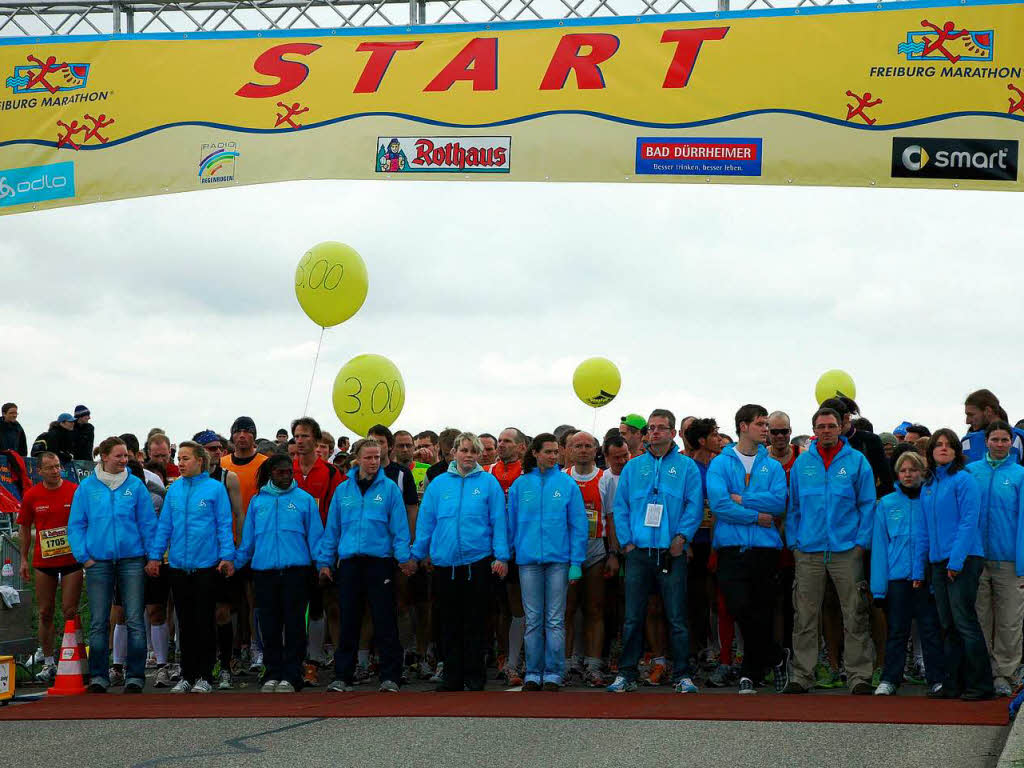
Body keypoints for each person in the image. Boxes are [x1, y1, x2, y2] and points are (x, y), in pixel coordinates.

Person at [606, 409, 703, 694]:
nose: (655, 432)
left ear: (673, 433)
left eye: (661, 428)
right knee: (633, 616)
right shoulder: (634, 467)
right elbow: (620, 506)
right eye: (651, 428)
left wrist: (682, 537)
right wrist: (626, 542)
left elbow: (694, 506)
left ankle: (682, 674)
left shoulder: (686, 467)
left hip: (671, 552)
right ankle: (627, 674)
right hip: (638, 551)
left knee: (676, 616)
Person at [784, 407, 875, 695]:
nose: (826, 430)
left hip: (846, 550)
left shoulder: (857, 461)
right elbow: (794, 507)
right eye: (821, 426)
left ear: (840, 428)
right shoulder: (802, 464)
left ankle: (859, 675)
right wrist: (795, 544)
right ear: (814, 429)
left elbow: (867, 505)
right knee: (805, 616)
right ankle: (801, 675)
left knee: (855, 613)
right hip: (809, 550)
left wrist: (861, 544)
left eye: (831, 425)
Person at [412, 432, 509, 691]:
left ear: (479, 455)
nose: (468, 455)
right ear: (454, 452)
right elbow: (426, 523)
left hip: (478, 562)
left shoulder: (489, 484)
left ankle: (475, 677)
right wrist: (417, 554)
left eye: (473, 451)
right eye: (464, 450)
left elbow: (499, 521)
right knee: (448, 622)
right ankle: (451, 677)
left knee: (476, 622)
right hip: (445, 564)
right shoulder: (438, 485)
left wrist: (501, 556)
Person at [318, 438, 415, 693]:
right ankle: (343, 676)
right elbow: (333, 530)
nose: (373, 462)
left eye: (377, 457)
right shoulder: (343, 490)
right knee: (349, 618)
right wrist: (325, 561)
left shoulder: (390, 489)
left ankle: (390, 676)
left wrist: (404, 558)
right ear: (357, 459)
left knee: (384, 619)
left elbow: (400, 528)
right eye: (368, 457)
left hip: (379, 562)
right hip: (349, 563)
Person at [707, 405, 789, 695]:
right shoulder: (720, 463)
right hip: (731, 548)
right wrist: (756, 515)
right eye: (760, 423)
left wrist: (742, 498)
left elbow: (779, 503)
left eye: (767, 424)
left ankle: (749, 674)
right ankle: (777, 656)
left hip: (765, 550)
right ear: (743, 426)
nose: (766, 429)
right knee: (740, 608)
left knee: (762, 611)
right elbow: (720, 505)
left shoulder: (773, 466)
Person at [68, 436, 157, 693]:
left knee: (134, 619)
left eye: (126, 456)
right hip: (98, 561)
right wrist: (84, 557)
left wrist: (152, 556)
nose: (123, 460)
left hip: (132, 559)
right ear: (103, 457)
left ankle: (135, 676)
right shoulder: (86, 488)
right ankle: (99, 676)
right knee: (98, 621)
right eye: (118, 455)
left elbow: (148, 524)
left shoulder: (136, 486)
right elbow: (76, 526)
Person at [146, 441, 235, 693]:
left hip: (206, 565)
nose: (181, 463)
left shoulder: (215, 489)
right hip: (178, 566)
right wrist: (155, 557)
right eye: (180, 459)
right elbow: (165, 526)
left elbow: (223, 525)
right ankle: (187, 673)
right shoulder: (173, 490)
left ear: (199, 460)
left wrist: (227, 556)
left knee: (205, 621)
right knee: (184, 623)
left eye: (186, 458)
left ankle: (205, 676)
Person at [235, 453, 324, 693]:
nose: (285, 476)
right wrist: (234, 562)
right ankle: (272, 672)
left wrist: (322, 564)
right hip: (264, 572)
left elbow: (315, 536)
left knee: (295, 625)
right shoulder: (257, 501)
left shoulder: (304, 500)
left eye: (289, 472)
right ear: (271, 473)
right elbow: (249, 540)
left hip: (296, 571)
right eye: (280, 472)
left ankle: (292, 674)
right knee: (269, 625)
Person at [915, 428, 992, 700]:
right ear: (931, 451)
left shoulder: (964, 480)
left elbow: (969, 523)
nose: (944, 448)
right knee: (947, 624)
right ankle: (954, 683)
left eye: (949, 445)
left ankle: (981, 685)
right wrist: (918, 569)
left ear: (957, 451)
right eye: (939, 445)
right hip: (938, 563)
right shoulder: (929, 486)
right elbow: (923, 530)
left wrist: (956, 562)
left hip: (964, 559)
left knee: (965, 622)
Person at [507, 433, 587, 691]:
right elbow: (511, 524)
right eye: (549, 452)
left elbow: (578, 525)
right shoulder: (521, 485)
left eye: (556, 452)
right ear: (535, 453)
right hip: (528, 561)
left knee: (554, 619)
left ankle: (553, 672)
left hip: (558, 561)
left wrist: (577, 561)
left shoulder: (567, 484)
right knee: (533, 619)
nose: (554, 456)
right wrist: (507, 554)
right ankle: (532, 672)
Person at [870, 450, 944, 696]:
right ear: (897, 474)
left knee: (930, 629)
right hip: (898, 577)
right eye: (903, 470)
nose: (908, 474)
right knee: (897, 630)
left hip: (925, 576)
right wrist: (879, 589)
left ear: (922, 472)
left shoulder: (931, 500)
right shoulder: (886, 504)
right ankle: (891, 678)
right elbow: (880, 548)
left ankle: (936, 678)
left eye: (913, 470)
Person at [965, 420, 1024, 697]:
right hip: (976, 558)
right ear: (986, 441)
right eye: (995, 439)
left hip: (1009, 559)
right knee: (980, 617)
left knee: (1009, 620)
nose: (1000, 444)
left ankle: (1006, 672)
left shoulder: (1019, 475)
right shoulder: (970, 472)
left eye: (1004, 440)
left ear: (1011, 443)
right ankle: (983, 670)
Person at [17, 451, 81, 685]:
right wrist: (23, 559)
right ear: (39, 471)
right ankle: (49, 662)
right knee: (45, 612)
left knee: (70, 611)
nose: (55, 471)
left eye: (57, 467)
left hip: (72, 560)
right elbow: (23, 528)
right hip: (44, 562)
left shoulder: (74, 490)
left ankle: (74, 660)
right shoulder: (32, 495)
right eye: (50, 468)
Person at [563, 431, 618, 687]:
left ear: (596, 449)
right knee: (567, 610)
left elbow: (612, 517)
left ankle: (593, 664)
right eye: (578, 446)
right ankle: (565, 662)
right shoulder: (562, 478)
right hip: (566, 552)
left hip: (596, 549)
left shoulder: (605, 478)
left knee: (595, 609)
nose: (583, 450)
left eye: (588, 445)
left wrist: (613, 553)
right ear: (568, 450)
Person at [291, 417, 344, 687]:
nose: (300, 441)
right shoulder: (283, 470)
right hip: (289, 551)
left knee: (319, 607)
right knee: (291, 608)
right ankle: (290, 661)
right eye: (297, 436)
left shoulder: (332, 473)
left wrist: (330, 552)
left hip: (320, 551)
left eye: (305, 436)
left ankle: (314, 661)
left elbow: (337, 515)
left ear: (316, 439)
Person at [193, 430, 245, 689]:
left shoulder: (228, 477)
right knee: (199, 614)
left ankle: (225, 665)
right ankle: (200, 665)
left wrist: (239, 551)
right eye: (211, 448)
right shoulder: (187, 480)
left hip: (223, 556)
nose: (217, 453)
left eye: (219, 448)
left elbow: (239, 515)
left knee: (223, 613)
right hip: (195, 557)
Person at [222, 416, 269, 672]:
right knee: (230, 602)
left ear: (254, 436)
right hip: (227, 541)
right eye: (237, 431)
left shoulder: (265, 464)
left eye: (247, 432)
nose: (242, 436)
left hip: (256, 541)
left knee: (253, 599)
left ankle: (256, 646)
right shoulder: (221, 465)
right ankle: (232, 649)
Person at [488, 427, 529, 686]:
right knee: (495, 608)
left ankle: (515, 660)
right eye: (499, 441)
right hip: (491, 549)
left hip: (518, 549)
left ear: (522, 447)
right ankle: (501, 657)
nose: (501, 445)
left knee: (517, 607)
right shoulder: (488, 472)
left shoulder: (527, 474)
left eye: (507, 441)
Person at [963, 389, 1024, 463]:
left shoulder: (1020, 437)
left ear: (988, 411)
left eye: (971, 415)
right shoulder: (967, 441)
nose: (967, 421)